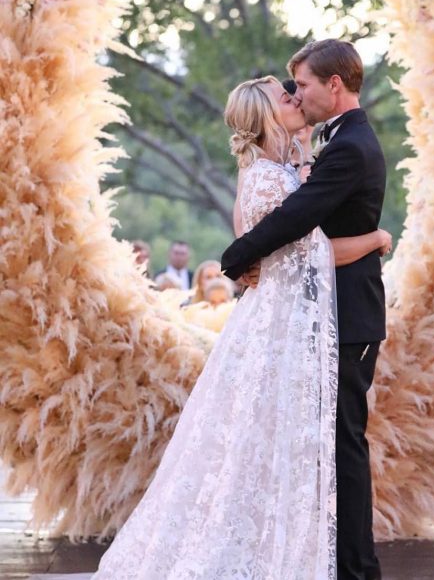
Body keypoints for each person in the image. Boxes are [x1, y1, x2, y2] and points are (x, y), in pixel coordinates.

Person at [30, 73, 389, 580]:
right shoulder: (269, 177)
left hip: (284, 324)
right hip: (279, 331)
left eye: (294, 89)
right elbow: (309, 258)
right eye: (282, 95)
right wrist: (375, 237)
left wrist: (302, 152)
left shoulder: (279, 168)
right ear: (263, 115)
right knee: (275, 442)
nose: (292, 96)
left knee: (270, 444)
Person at [221, 40, 387, 580]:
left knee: (344, 447)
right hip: (324, 317)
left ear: (333, 85)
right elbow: (288, 222)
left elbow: (298, 222)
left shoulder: (348, 146)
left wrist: (240, 256)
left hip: (349, 319)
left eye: (305, 85)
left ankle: (357, 571)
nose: (298, 94)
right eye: (290, 89)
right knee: (330, 448)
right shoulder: (323, 145)